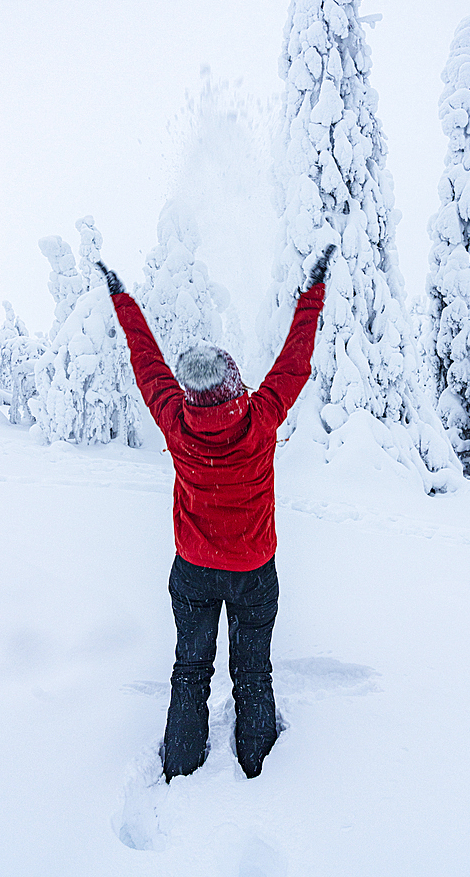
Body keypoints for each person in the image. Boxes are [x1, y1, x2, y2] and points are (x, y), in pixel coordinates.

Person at [97, 246, 334, 781]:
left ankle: (180, 767)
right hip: (253, 572)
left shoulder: (175, 422)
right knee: (253, 671)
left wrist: (122, 297)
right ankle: (261, 766)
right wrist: (313, 292)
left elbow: (146, 361)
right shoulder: (262, 417)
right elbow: (295, 360)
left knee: (190, 671)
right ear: (231, 383)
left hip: (194, 571)